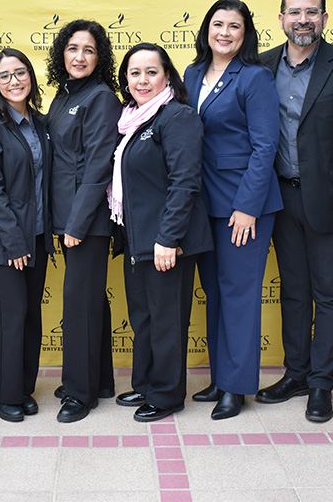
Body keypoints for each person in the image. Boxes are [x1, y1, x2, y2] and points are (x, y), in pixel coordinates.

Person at [255, 0, 333, 423]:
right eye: (295, 12)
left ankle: (321, 383)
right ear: (281, 18)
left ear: (324, 18)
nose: (303, 20)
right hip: (279, 198)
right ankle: (297, 374)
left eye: (312, 12)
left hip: (330, 201)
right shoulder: (261, 66)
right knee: (293, 290)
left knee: (330, 293)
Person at [183, 0, 282, 420]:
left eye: (234, 26)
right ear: (206, 29)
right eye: (218, 24)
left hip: (243, 204)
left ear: (246, 34)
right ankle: (220, 377)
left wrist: (247, 207)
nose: (224, 33)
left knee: (238, 294)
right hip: (202, 202)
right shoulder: (191, 73)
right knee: (215, 293)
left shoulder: (255, 77)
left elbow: (265, 146)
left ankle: (237, 388)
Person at [109, 43, 212, 422]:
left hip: (168, 242)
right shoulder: (131, 121)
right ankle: (146, 383)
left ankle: (167, 395)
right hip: (138, 239)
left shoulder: (177, 116)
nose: (143, 80)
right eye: (135, 73)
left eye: (151, 72)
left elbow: (185, 182)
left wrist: (169, 239)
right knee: (144, 318)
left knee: (166, 320)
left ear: (167, 75)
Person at [0, 48, 53, 423]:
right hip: (5, 242)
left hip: (37, 236)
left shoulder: (39, 122)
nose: (14, 81)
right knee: (10, 316)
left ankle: (23, 388)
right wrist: (13, 241)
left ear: (30, 76)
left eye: (20, 72)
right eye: (4, 76)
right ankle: (5, 394)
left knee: (31, 316)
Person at [45, 20, 121, 423]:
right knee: (90, 300)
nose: (79, 56)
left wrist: (76, 224)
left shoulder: (101, 98)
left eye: (88, 50)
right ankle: (100, 380)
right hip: (67, 217)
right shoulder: (65, 94)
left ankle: (79, 393)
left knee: (79, 304)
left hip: (86, 221)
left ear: (99, 57)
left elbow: (98, 167)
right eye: (73, 48)